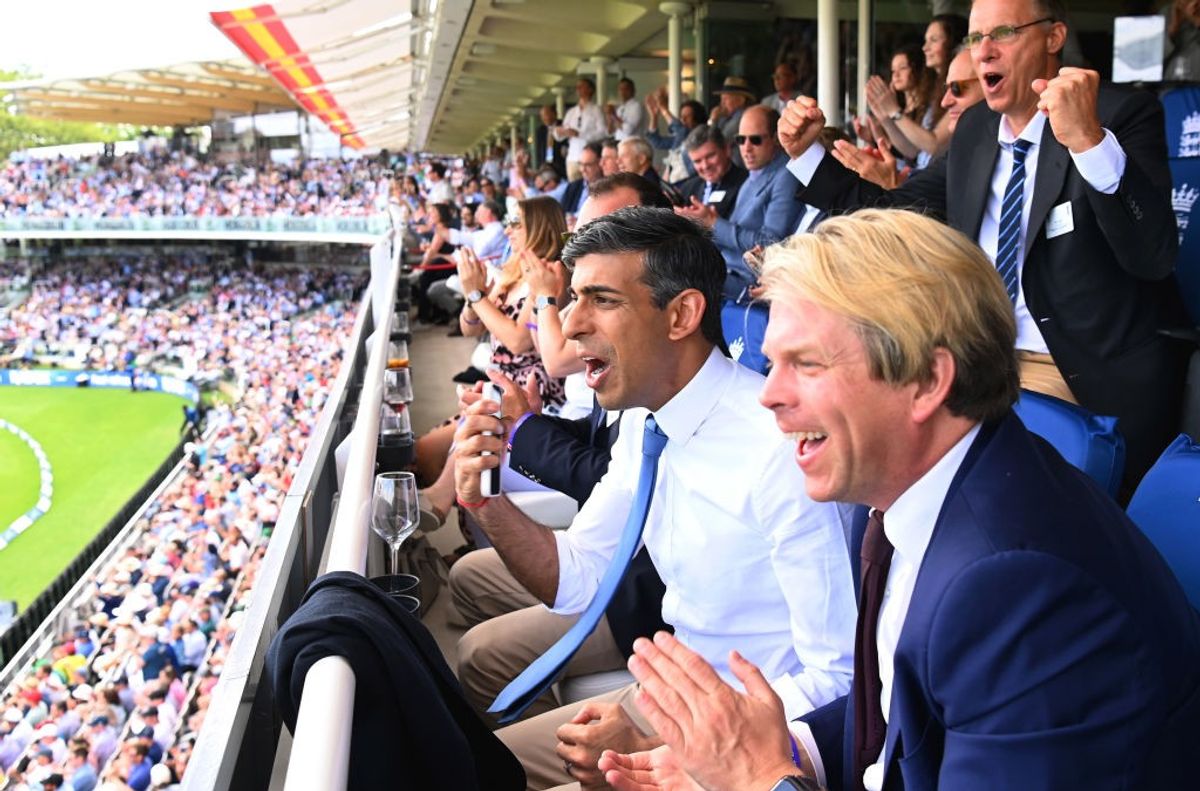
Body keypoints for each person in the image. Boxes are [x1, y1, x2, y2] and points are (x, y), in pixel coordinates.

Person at [597, 208, 1200, 791]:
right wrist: (788, 750)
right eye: (773, 362)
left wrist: (761, 781)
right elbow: (894, 722)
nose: (769, 395)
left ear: (927, 382)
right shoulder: (916, 495)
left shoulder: (1016, 590)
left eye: (806, 364)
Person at [452, 207, 856, 789]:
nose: (567, 326)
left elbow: (835, 675)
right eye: (573, 299)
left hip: (741, 732)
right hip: (669, 695)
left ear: (682, 315)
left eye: (602, 300)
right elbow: (578, 580)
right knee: (481, 766)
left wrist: (675, 746)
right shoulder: (647, 423)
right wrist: (486, 503)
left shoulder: (778, 452)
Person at [780, 0, 1187, 488]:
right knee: (869, 438)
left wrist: (1089, 142)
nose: (984, 52)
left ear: (1054, 37)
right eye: (974, 39)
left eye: (1005, 33)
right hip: (975, 354)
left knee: (986, 486)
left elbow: (1153, 255)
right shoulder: (975, 130)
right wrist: (808, 156)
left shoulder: (1119, 114)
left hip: (1073, 366)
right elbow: (892, 215)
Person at [449, 174, 675, 724]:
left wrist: (524, 431)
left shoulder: (737, 420)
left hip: (647, 606)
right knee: (467, 583)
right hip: (616, 572)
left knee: (480, 656)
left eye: (612, 232)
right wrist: (492, 489)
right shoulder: (640, 381)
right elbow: (592, 542)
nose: (570, 324)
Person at [677, 105, 801, 300]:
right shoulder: (755, 174)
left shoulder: (785, 176)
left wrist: (713, 223)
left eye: (756, 140)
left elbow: (770, 243)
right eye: (741, 140)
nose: (746, 148)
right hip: (725, 272)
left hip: (749, 282)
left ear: (776, 139)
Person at [675, 125, 748, 221]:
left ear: (727, 150)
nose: (705, 166)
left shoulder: (747, 185)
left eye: (710, 156)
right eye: (697, 161)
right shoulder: (688, 188)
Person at [555, 79, 609, 182]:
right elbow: (561, 135)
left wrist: (580, 134)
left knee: (593, 186)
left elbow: (603, 132)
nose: (578, 89)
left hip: (590, 158)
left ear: (590, 90)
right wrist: (559, 132)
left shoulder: (596, 110)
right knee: (575, 189)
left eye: (582, 86)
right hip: (573, 157)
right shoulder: (571, 112)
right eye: (577, 87)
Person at [710, 76, 757, 168]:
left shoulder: (742, 117)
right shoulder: (727, 117)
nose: (722, 103)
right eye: (721, 99)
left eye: (726, 99)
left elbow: (714, 142)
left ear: (740, 100)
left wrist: (713, 120)